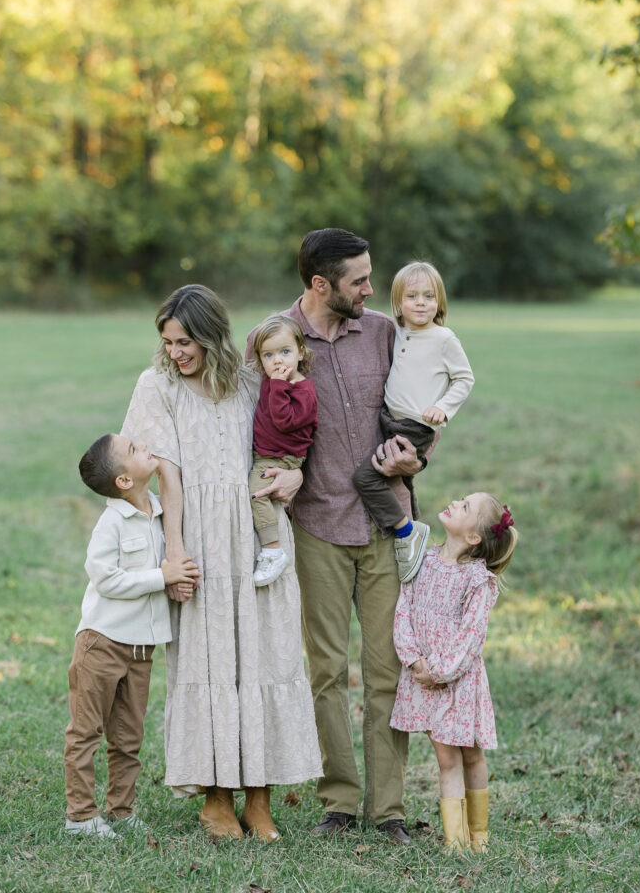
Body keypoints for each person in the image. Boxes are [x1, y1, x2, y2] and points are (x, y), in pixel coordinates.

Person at [246, 228, 430, 845]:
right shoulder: (277, 340)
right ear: (321, 284)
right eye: (359, 280)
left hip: (385, 524)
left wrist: (414, 460)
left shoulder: (382, 331)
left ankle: (391, 811)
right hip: (317, 527)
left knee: (388, 672)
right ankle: (340, 802)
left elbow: (417, 410)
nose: (372, 289)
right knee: (326, 672)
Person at [121, 284, 322, 843]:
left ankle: (258, 799)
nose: (176, 352)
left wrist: (297, 474)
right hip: (200, 536)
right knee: (209, 661)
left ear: (212, 336)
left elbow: (289, 439)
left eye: (185, 341)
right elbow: (163, 475)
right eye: (167, 341)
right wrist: (176, 547)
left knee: (264, 654)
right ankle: (215, 799)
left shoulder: (250, 377)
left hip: (259, 533)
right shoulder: (156, 384)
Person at [64, 433, 197, 837]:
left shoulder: (160, 512)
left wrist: (175, 578)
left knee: (128, 736)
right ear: (124, 481)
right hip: (102, 642)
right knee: (85, 731)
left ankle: (121, 811)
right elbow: (106, 579)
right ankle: (80, 817)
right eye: (133, 450)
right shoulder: (112, 523)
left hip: (141, 649)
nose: (143, 444)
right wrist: (163, 576)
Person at [390, 493, 518, 854]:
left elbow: (471, 636)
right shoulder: (423, 560)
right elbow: (403, 610)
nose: (455, 503)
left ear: (474, 537)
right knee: (447, 760)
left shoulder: (477, 580)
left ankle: (479, 835)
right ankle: (455, 841)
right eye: (460, 499)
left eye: (465, 507)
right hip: (424, 676)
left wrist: (441, 672)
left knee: (472, 755)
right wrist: (414, 660)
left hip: (459, 682)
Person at [353, 261, 474, 584]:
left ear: (439, 302)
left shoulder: (443, 338)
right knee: (398, 480)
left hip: (414, 427)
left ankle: (407, 531)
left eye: (429, 296)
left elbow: (464, 379)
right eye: (412, 296)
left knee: (366, 478)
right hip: (390, 420)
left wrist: (442, 408)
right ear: (398, 304)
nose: (421, 303)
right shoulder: (399, 332)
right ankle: (410, 528)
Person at [247, 314, 318, 587]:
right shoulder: (273, 380)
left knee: (256, 494)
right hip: (267, 452)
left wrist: (277, 386)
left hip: (282, 456)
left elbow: (284, 420)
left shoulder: (303, 391)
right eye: (269, 355)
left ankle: (273, 550)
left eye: (285, 352)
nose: (277, 361)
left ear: (301, 352)